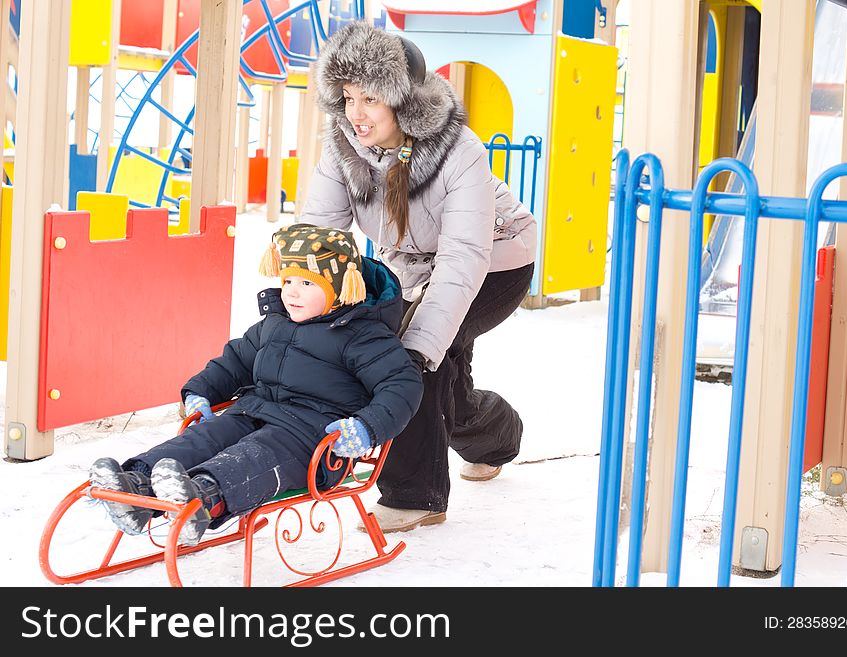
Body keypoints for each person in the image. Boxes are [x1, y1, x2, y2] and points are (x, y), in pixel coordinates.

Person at [297, 21, 537, 532]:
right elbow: (320, 232)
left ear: (402, 102)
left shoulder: (458, 149)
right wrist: (299, 296)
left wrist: (419, 345)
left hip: (496, 260)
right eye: (347, 97)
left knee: (415, 358)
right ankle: (497, 437)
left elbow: (464, 256)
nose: (355, 114)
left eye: (369, 100)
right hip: (414, 265)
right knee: (448, 390)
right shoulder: (345, 146)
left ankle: (414, 495)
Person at [88, 225, 423, 546]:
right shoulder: (274, 323)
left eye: (307, 283)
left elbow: (402, 385)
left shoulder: (363, 336)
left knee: (256, 455)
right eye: (288, 279)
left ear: (340, 288)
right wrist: (200, 391)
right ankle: (137, 486)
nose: (291, 291)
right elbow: (235, 361)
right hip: (253, 412)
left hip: (311, 439)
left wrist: (366, 428)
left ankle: (205, 498)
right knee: (207, 436)